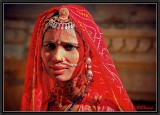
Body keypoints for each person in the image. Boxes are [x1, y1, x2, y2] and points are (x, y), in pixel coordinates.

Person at [20, 4, 136, 112]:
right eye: (50, 46)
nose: (57, 57)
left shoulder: (102, 108)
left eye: (69, 47)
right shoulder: (38, 104)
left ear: (87, 53)